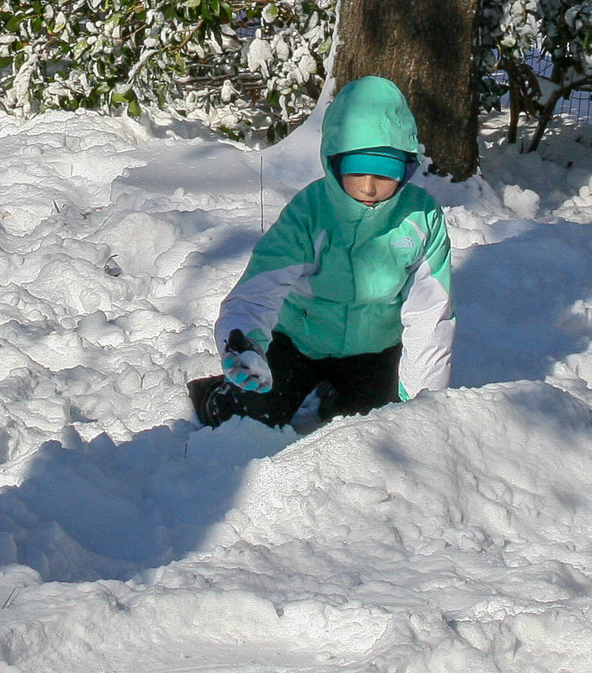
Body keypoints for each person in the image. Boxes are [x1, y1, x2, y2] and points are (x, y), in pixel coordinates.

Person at [195, 76, 454, 432]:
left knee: (374, 429)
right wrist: (248, 341)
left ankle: (335, 396)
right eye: (355, 170)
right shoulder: (309, 214)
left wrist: (424, 403)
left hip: (374, 351)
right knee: (248, 419)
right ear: (334, 162)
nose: (369, 185)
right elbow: (258, 292)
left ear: (406, 168)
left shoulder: (421, 218)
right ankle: (218, 395)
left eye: (386, 171)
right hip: (298, 343)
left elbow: (430, 314)